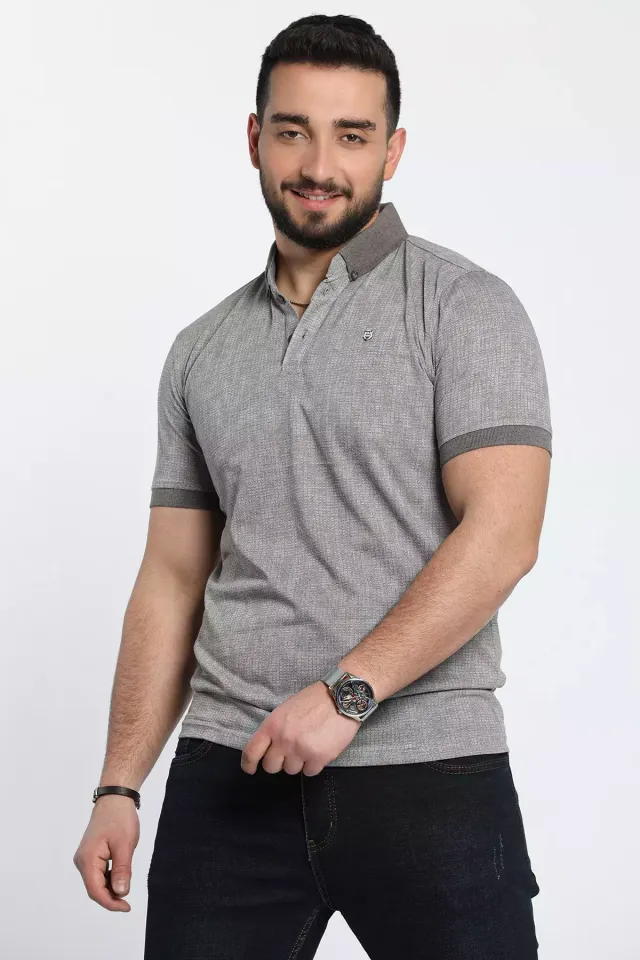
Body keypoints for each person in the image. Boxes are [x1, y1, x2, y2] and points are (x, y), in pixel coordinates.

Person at [73, 14, 552, 959]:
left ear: (393, 151)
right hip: (228, 777)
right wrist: (119, 784)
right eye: (294, 131)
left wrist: (345, 696)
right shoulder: (201, 351)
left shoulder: (465, 308)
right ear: (255, 139)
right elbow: (173, 577)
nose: (320, 164)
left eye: (352, 135)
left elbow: (503, 533)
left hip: (430, 772)